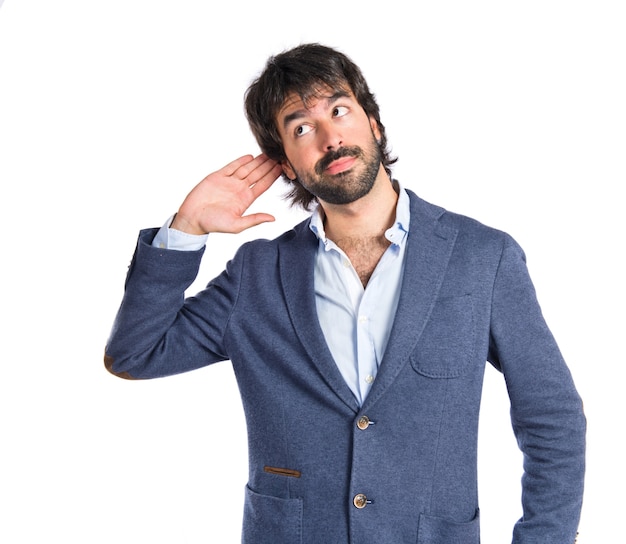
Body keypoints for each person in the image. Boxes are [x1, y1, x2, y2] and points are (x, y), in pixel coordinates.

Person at [104, 43, 585, 543]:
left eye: (339, 110)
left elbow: (552, 419)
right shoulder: (257, 274)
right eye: (301, 128)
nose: (330, 138)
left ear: (373, 123)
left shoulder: (483, 258)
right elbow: (136, 353)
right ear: (287, 164)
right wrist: (186, 229)